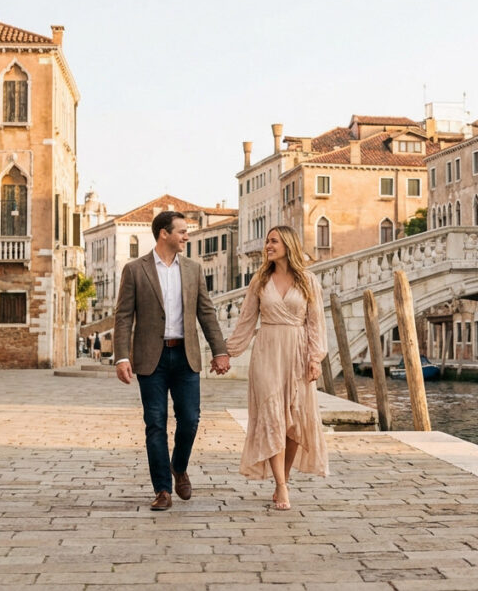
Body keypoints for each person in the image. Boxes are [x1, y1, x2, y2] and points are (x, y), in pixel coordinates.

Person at [114, 210, 231, 511]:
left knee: (190, 420)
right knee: (155, 423)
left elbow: (206, 312)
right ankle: (163, 489)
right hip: (150, 359)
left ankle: (179, 467)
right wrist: (121, 357)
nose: (186, 236)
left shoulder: (193, 269)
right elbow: (124, 316)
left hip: (186, 355)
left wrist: (219, 351)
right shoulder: (135, 270)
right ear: (164, 234)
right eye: (181, 231)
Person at [225, 225, 328, 510]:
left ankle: (283, 476)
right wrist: (228, 352)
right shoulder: (259, 281)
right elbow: (246, 321)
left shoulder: (308, 280)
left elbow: (315, 323)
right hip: (267, 353)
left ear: (288, 245)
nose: (267, 245)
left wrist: (314, 358)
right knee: (272, 417)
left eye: (273, 241)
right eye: (268, 241)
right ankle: (281, 486)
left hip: (297, 352)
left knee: (294, 422)